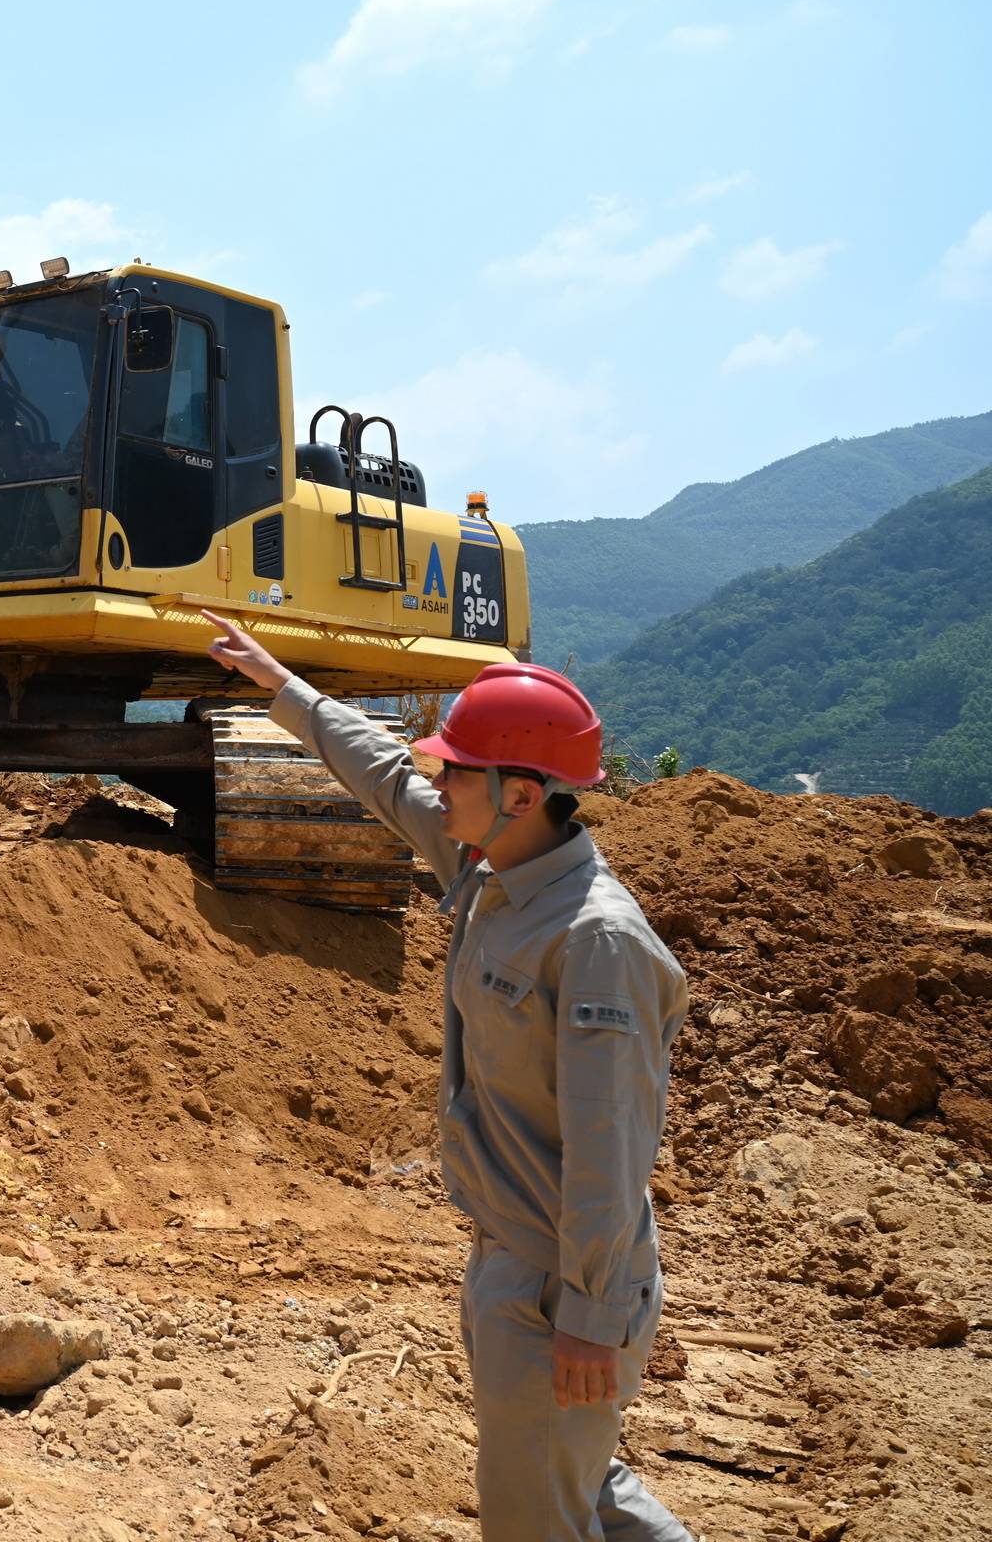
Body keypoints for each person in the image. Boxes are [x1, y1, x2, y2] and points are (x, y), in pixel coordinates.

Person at [198, 610, 692, 1542]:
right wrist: (280, 684)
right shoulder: (487, 864)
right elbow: (383, 776)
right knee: (578, 1484)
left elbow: (610, 1145)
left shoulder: (596, 940)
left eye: (454, 767)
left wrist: (587, 1311)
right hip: (514, 1251)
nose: (434, 775)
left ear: (520, 792)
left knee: (537, 1515)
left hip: (559, 1283)